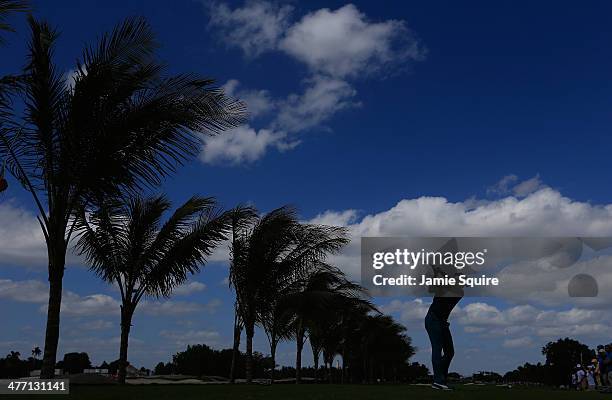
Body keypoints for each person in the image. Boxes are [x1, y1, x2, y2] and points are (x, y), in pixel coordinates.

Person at [425, 296, 461, 390]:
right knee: (437, 349)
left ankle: (442, 380)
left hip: (442, 322)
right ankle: (438, 381)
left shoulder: (459, 292)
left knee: (449, 352)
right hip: (433, 320)